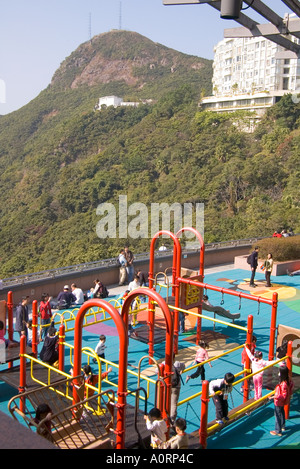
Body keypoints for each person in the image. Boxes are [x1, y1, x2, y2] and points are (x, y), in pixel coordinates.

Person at [269, 366, 294, 437]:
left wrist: (273, 396)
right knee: (281, 412)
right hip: (282, 401)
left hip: (278, 401)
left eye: (280, 372)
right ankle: (282, 426)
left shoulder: (283, 384)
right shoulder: (288, 380)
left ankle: (278, 430)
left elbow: (282, 395)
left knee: (277, 415)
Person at [170, 358, 185, 424]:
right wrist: (181, 370)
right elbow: (184, 366)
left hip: (167, 385)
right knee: (173, 403)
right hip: (176, 386)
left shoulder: (164, 363)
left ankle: (164, 417)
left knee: (165, 401)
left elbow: (157, 370)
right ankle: (172, 419)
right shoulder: (177, 363)